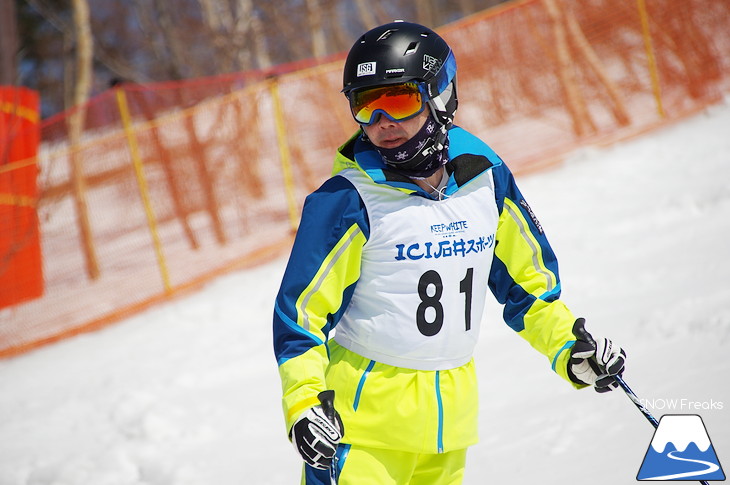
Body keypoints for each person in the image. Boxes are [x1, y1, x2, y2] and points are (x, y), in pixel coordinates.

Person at [273, 20, 626, 485]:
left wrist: (569, 347)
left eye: (398, 100)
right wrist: (304, 403)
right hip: (360, 433)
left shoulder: (486, 179)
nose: (384, 123)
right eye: (366, 106)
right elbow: (300, 317)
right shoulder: (347, 200)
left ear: (440, 96)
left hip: (448, 428)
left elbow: (530, 291)